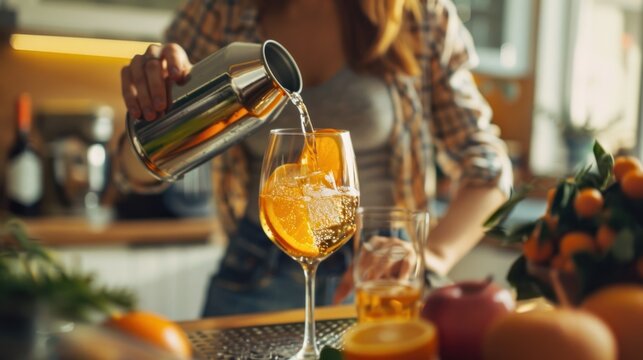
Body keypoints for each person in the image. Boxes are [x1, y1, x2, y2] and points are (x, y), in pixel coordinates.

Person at [119, 0, 513, 317]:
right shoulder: (218, 13)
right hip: (257, 268)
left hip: (379, 274)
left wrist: (430, 258)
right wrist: (154, 108)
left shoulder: (419, 15)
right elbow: (136, 172)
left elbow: (489, 168)